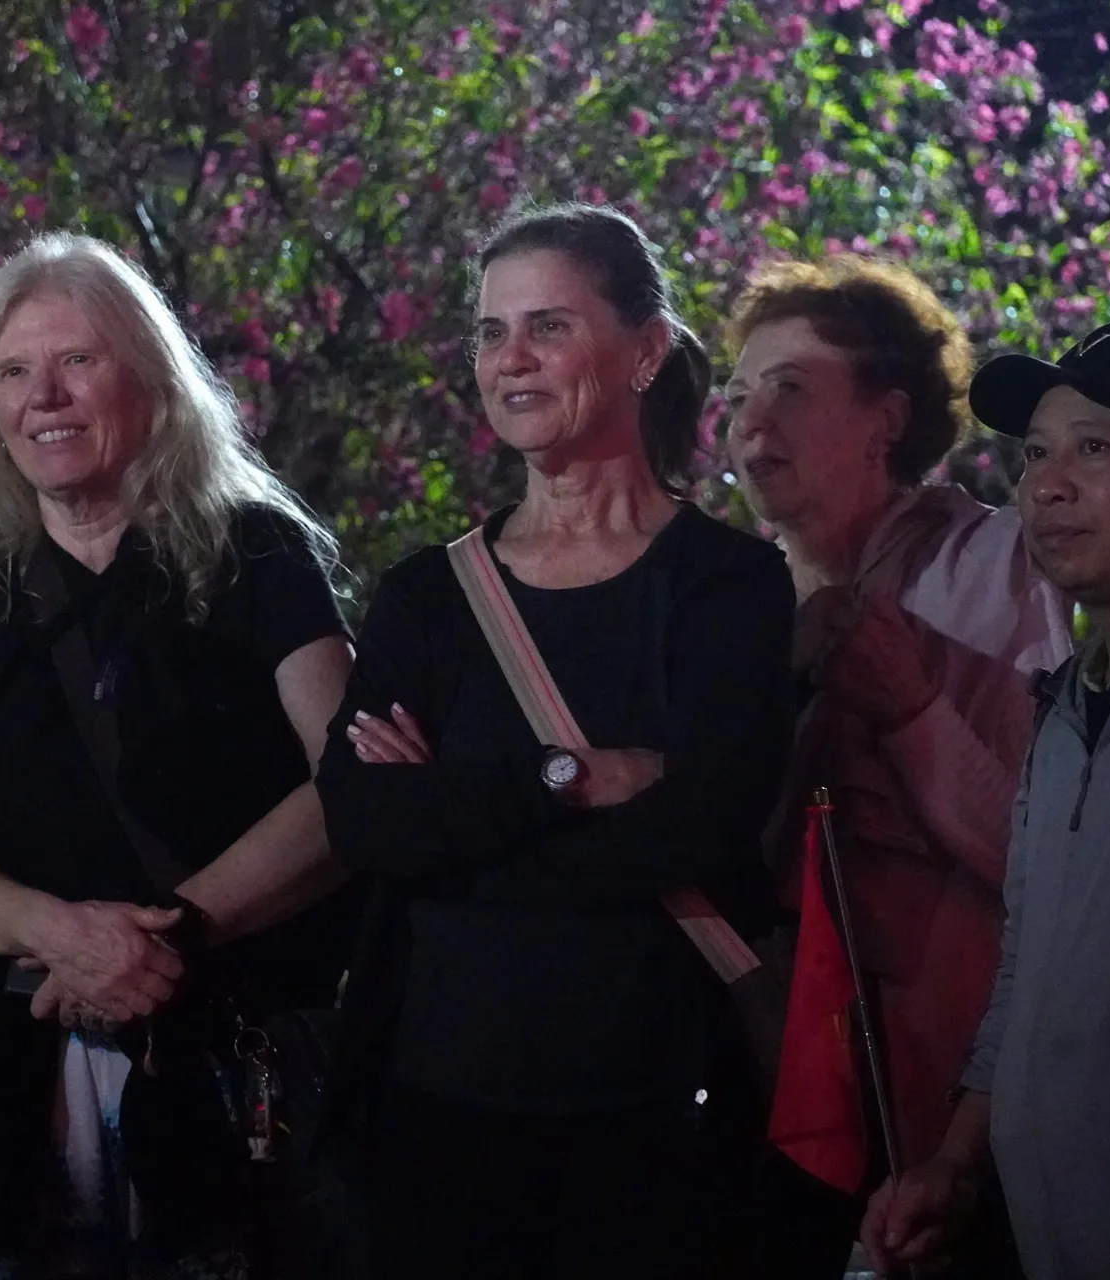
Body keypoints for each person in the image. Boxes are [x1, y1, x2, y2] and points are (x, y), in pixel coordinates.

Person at [313, 203, 795, 1277]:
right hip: (432, 1110)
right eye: (491, 332)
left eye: (549, 326)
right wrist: (563, 776)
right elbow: (365, 822)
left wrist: (455, 818)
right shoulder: (427, 597)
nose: (511, 359)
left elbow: (698, 829)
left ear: (645, 352)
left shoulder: (729, 585)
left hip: (653, 1118)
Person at [0, 232, 356, 1278]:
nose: (43, 397)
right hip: (9, 1068)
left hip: (230, 1055)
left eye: (77, 361)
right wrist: (64, 935)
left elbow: (348, 788)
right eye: (13, 372)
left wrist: (164, 938)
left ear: (149, 376)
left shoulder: (259, 551)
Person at [722, 257, 1072, 1276]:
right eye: (737, 396)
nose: (752, 421)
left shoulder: (988, 566)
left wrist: (909, 704)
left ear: (887, 420)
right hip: (771, 1070)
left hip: (939, 1097)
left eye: (791, 387)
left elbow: (1037, 856)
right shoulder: (738, 607)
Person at [861, 321, 1110, 1279]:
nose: (1046, 486)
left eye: (1094, 448)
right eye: (1035, 455)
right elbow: (1029, 966)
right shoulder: (1063, 709)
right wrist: (957, 1164)